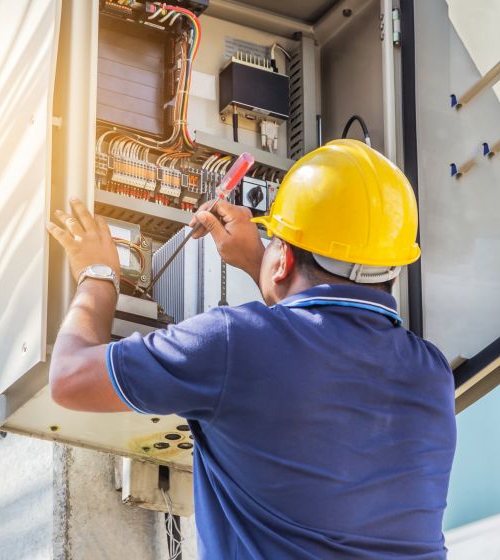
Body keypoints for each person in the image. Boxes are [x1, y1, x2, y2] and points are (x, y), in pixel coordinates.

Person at [45, 139, 456, 559]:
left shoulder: (232, 345)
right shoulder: (432, 375)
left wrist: (97, 273)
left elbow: (68, 378)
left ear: (284, 261)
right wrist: (261, 259)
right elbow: (305, 354)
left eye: (274, 238)